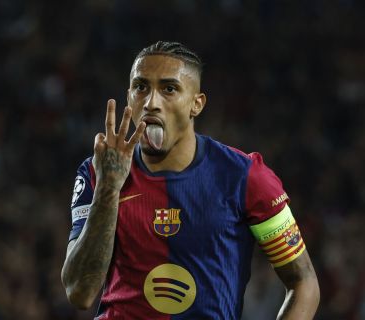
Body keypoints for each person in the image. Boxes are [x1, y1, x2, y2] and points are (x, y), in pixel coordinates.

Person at [61, 41, 320, 319]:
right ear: (129, 97)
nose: (151, 103)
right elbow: (79, 292)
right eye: (141, 87)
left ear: (196, 104)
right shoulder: (96, 172)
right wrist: (109, 187)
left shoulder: (245, 177)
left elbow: (304, 282)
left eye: (169, 89)